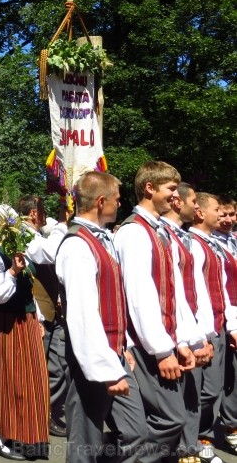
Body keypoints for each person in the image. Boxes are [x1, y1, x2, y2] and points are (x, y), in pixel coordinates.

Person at [56, 171, 148, 463]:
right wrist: (105, 367)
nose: (120, 204)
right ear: (100, 201)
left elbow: (115, 300)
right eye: (117, 200)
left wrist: (124, 346)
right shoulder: (77, 245)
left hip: (114, 352)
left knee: (137, 433)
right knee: (86, 442)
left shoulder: (102, 239)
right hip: (91, 358)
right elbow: (83, 314)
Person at [113, 161, 195, 462]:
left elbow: (173, 292)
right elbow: (139, 296)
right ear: (150, 188)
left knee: (169, 418)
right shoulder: (135, 233)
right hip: (146, 343)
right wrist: (162, 350)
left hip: (163, 339)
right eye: (171, 188)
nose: (176, 196)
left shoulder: (157, 231)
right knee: (172, 418)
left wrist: (183, 341)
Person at [0, 204, 50, 460]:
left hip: (23, 321)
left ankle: (23, 432)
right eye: (14, 223)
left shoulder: (17, 247)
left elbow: (28, 288)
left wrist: (36, 317)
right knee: (5, 380)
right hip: (2, 324)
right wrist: (13, 271)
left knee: (30, 381)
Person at [161, 184, 216, 463]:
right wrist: (190, 338)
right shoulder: (166, 237)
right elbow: (174, 293)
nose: (197, 207)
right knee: (181, 402)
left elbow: (197, 289)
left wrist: (204, 333)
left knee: (200, 395)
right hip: (176, 330)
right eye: (193, 201)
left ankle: (191, 447)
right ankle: (186, 450)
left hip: (195, 326)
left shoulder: (182, 237)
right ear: (177, 202)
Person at [16, 195, 70, 438]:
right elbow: (48, 254)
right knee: (40, 370)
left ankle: (48, 412)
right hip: (38, 313)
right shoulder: (22, 235)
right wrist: (61, 223)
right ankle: (37, 416)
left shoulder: (36, 235)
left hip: (53, 311)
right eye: (43, 211)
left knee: (57, 367)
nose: (46, 215)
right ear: (33, 214)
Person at [189, 192, 236, 463]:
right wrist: (204, 333)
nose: (223, 216)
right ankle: (196, 441)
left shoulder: (215, 243)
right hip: (204, 327)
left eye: (227, 212)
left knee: (216, 387)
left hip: (221, 320)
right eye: (218, 210)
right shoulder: (195, 243)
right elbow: (197, 292)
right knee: (205, 391)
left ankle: (203, 437)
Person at [213, 196, 237, 453]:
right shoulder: (211, 244)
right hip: (225, 317)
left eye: (232, 214)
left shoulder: (233, 240)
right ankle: (229, 428)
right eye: (223, 215)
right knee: (225, 380)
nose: (228, 219)